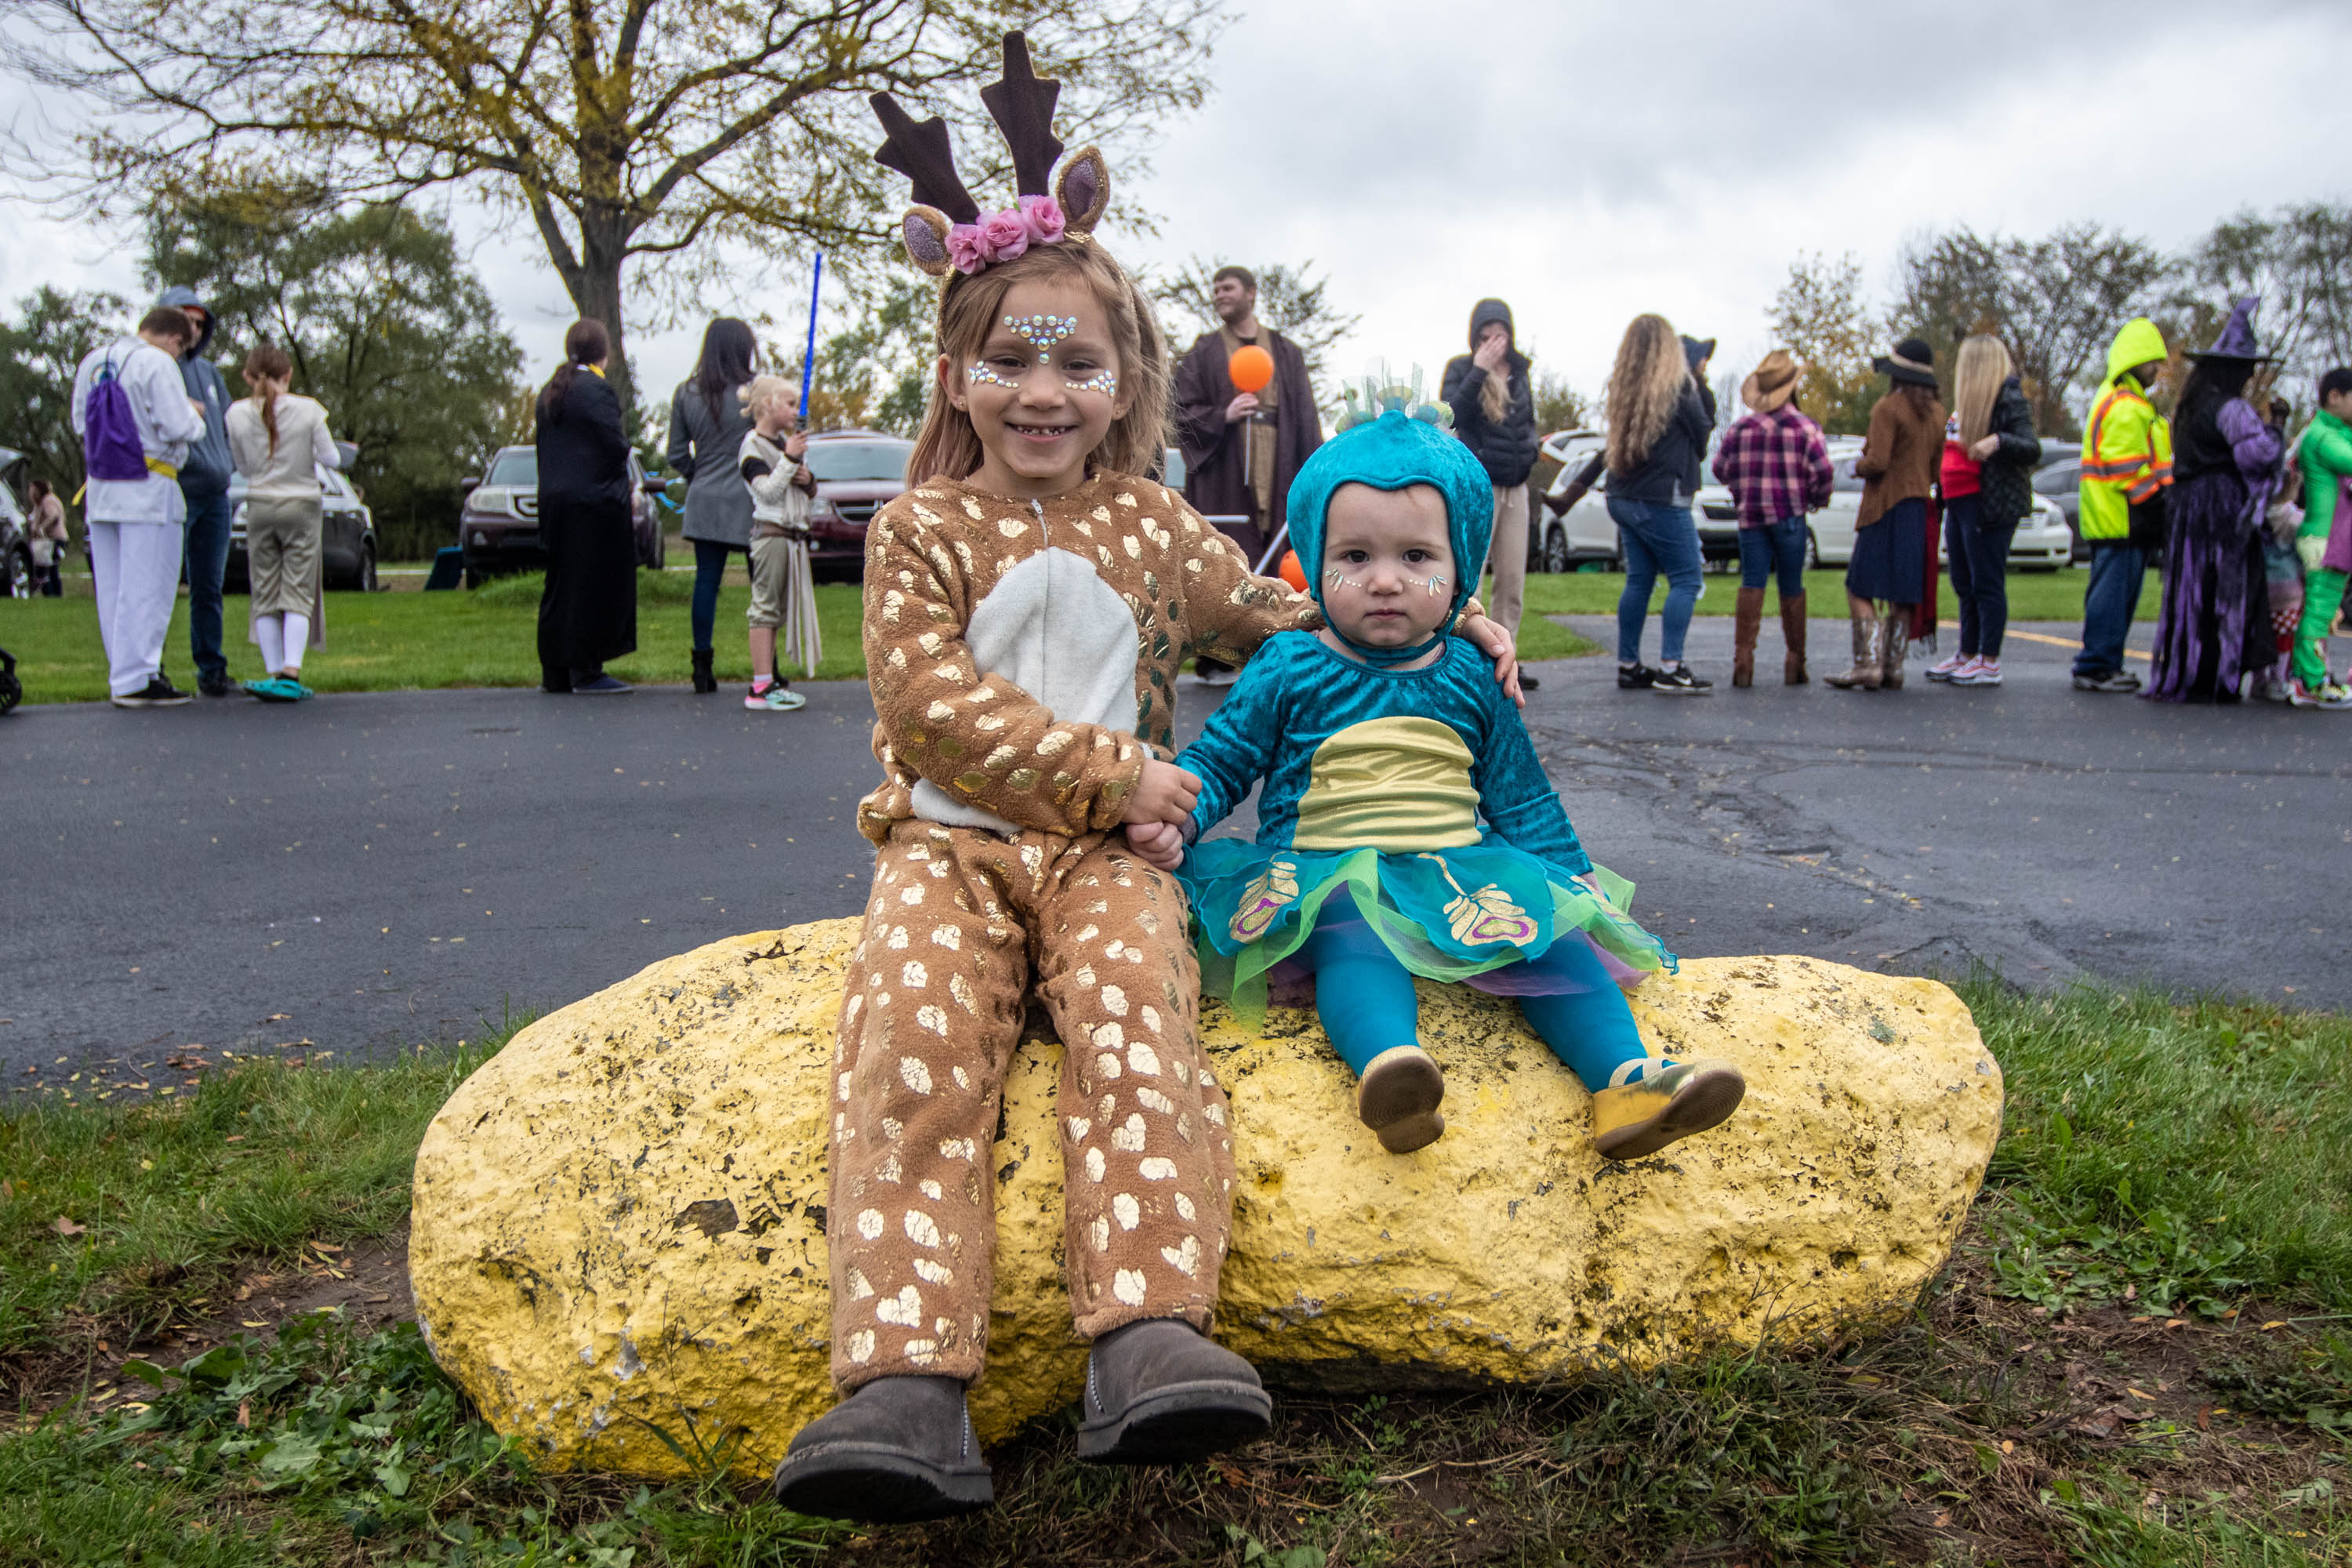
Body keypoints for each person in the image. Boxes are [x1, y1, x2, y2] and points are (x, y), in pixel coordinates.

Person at [771, 37, 1522, 1523]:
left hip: (1117, 868)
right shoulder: (924, 525)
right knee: (913, 1058)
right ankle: (908, 1384)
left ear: (1126, 380)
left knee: (1140, 1032)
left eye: (1078, 360)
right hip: (953, 852)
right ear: (956, 375)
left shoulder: (1154, 524)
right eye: (1010, 358)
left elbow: (1278, 615)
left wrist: (1427, 616)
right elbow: (927, 706)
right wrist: (1121, 772)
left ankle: (1149, 1333)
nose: (1043, 388)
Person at [1140, 385, 1738, 1164]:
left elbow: (1519, 793)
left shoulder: (1466, 670)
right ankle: (1393, 1072)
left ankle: (1625, 1079)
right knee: (1354, 940)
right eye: (1355, 557)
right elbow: (1223, 759)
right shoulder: (1289, 661)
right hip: (1325, 871)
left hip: (1461, 868)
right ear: (1313, 564)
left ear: (1460, 571)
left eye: (1416, 557)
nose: (1384, 579)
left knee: (1552, 938)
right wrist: (1179, 813)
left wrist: (1573, 876)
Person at [1171, 264, 1323, 682]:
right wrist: (1224, 414)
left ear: (1251, 294)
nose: (1219, 295)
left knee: (1279, 548)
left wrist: (1315, 474)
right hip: (1226, 467)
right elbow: (1180, 409)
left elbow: (1306, 417)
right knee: (1229, 552)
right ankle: (1220, 658)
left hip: (1280, 464)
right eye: (1215, 289)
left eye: (1228, 288)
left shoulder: (1286, 352)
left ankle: (1282, 647)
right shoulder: (1204, 351)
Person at [2143, 299, 2285, 704]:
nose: (2249, 375)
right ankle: (2219, 672)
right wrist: (2275, 427)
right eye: (2246, 369)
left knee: (2193, 589)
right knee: (2224, 589)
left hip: (2187, 506)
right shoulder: (2232, 409)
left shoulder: (2189, 407)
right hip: (2221, 507)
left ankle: (2194, 670)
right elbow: (2257, 456)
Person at [69, 307, 207, 706]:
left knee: (111, 586)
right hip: (149, 483)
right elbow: (177, 426)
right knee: (148, 584)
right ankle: (138, 675)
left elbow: (81, 422)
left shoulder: (93, 360)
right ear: (174, 340)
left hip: (103, 484)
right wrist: (195, 416)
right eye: (182, 351)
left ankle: (124, 669)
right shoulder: (157, 363)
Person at [1601, 314, 1713, 694]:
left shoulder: (1624, 389)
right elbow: (1703, 434)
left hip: (1623, 497)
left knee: (1640, 580)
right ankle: (1671, 666)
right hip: (1662, 499)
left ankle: (1629, 664)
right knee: (1687, 579)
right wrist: (1699, 381)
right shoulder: (1679, 389)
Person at [224, 343, 340, 701]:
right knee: (297, 590)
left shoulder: (235, 414)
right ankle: (291, 671)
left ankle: (273, 672)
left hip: (259, 505)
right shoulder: (308, 411)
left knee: (265, 591)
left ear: (247, 376)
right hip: (302, 504)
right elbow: (332, 459)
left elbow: (242, 467)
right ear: (288, 375)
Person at [1828, 339, 1944, 691]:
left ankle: (1867, 664)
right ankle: (1893, 667)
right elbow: (1936, 471)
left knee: (1859, 585)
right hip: (1918, 508)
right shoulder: (1938, 413)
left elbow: (1878, 461)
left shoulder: (1888, 408)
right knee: (1904, 592)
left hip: (1885, 506)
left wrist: (1855, 466)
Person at [1926, 336, 2041, 688]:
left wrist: (1998, 441)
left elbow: (2030, 446)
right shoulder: (1966, 405)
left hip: (1987, 503)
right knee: (1963, 581)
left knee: (1986, 581)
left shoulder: (2008, 397)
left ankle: (1989, 661)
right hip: (1959, 502)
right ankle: (1967, 652)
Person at [1711, 350, 1831, 685]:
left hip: (1751, 517)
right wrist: (1816, 499)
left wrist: (1742, 484)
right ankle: (1795, 660)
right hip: (1791, 515)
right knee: (1791, 586)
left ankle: (1744, 658)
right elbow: (1823, 474)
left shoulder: (1740, 429)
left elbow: (1720, 469)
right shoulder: (1806, 428)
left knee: (1752, 582)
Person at [1440, 300, 1541, 685]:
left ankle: (1505, 657)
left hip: (1517, 487)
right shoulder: (1463, 368)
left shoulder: (1520, 371)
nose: (1493, 343)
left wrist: (1531, 453)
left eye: (1499, 336)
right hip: (1479, 486)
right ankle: (1467, 658)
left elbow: (1529, 422)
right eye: (1485, 336)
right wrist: (1480, 368)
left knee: (1513, 580)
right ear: (1474, 337)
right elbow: (1449, 415)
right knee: (1472, 577)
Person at [534, 320, 637, 694]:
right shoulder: (596, 389)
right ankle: (587, 669)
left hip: (555, 501)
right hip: (592, 503)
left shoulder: (552, 391)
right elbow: (614, 445)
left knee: (560, 584)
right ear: (603, 352)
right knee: (591, 584)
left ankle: (555, 670)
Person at [2072, 318, 2172, 693]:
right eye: (2153, 361)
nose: (2157, 370)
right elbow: (2125, 467)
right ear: (2137, 360)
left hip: (2114, 517)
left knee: (2114, 596)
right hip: (2122, 517)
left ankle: (2104, 664)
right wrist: (2157, 498)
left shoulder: (2119, 399)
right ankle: (2096, 666)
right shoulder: (2128, 406)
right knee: (2113, 598)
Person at [664, 318, 760, 695]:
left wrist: (699, 476)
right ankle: (767, 670)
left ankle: (702, 668)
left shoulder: (686, 393)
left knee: (706, 582)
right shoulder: (755, 392)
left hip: (704, 498)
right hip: (752, 499)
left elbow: (675, 452)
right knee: (762, 588)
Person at [156, 287, 238, 697]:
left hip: (216, 495)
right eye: (186, 320)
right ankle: (149, 669)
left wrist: (229, 464)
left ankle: (212, 668)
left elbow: (225, 425)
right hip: (178, 489)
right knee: (161, 582)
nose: (194, 329)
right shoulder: (157, 368)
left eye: (200, 323)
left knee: (209, 586)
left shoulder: (209, 373)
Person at [735, 374, 819, 710]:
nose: (796, 410)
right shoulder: (752, 446)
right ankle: (760, 687)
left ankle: (769, 679)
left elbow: (809, 491)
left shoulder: (783, 444)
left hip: (792, 538)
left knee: (778, 611)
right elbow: (767, 490)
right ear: (768, 405)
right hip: (770, 536)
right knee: (765, 609)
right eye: (788, 402)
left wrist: (806, 478)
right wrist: (788, 459)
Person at [2287, 365, 2352, 708]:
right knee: (2318, 611)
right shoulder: (2324, 436)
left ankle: (2308, 678)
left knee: (2321, 611)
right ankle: (2310, 682)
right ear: (2334, 397)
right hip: (2325, 540)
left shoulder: (2333, 432)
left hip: (2330, 538)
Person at [25, 479, 67, 596]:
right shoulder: (39, 503)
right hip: (47, 541)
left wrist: (42, 528)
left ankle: (55, 595)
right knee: (45, 571)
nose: (30, 493)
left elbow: (53, 516)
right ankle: (50, 596)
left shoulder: (48, 500)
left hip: (54, 540)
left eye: (32, 489)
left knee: (51, 570)